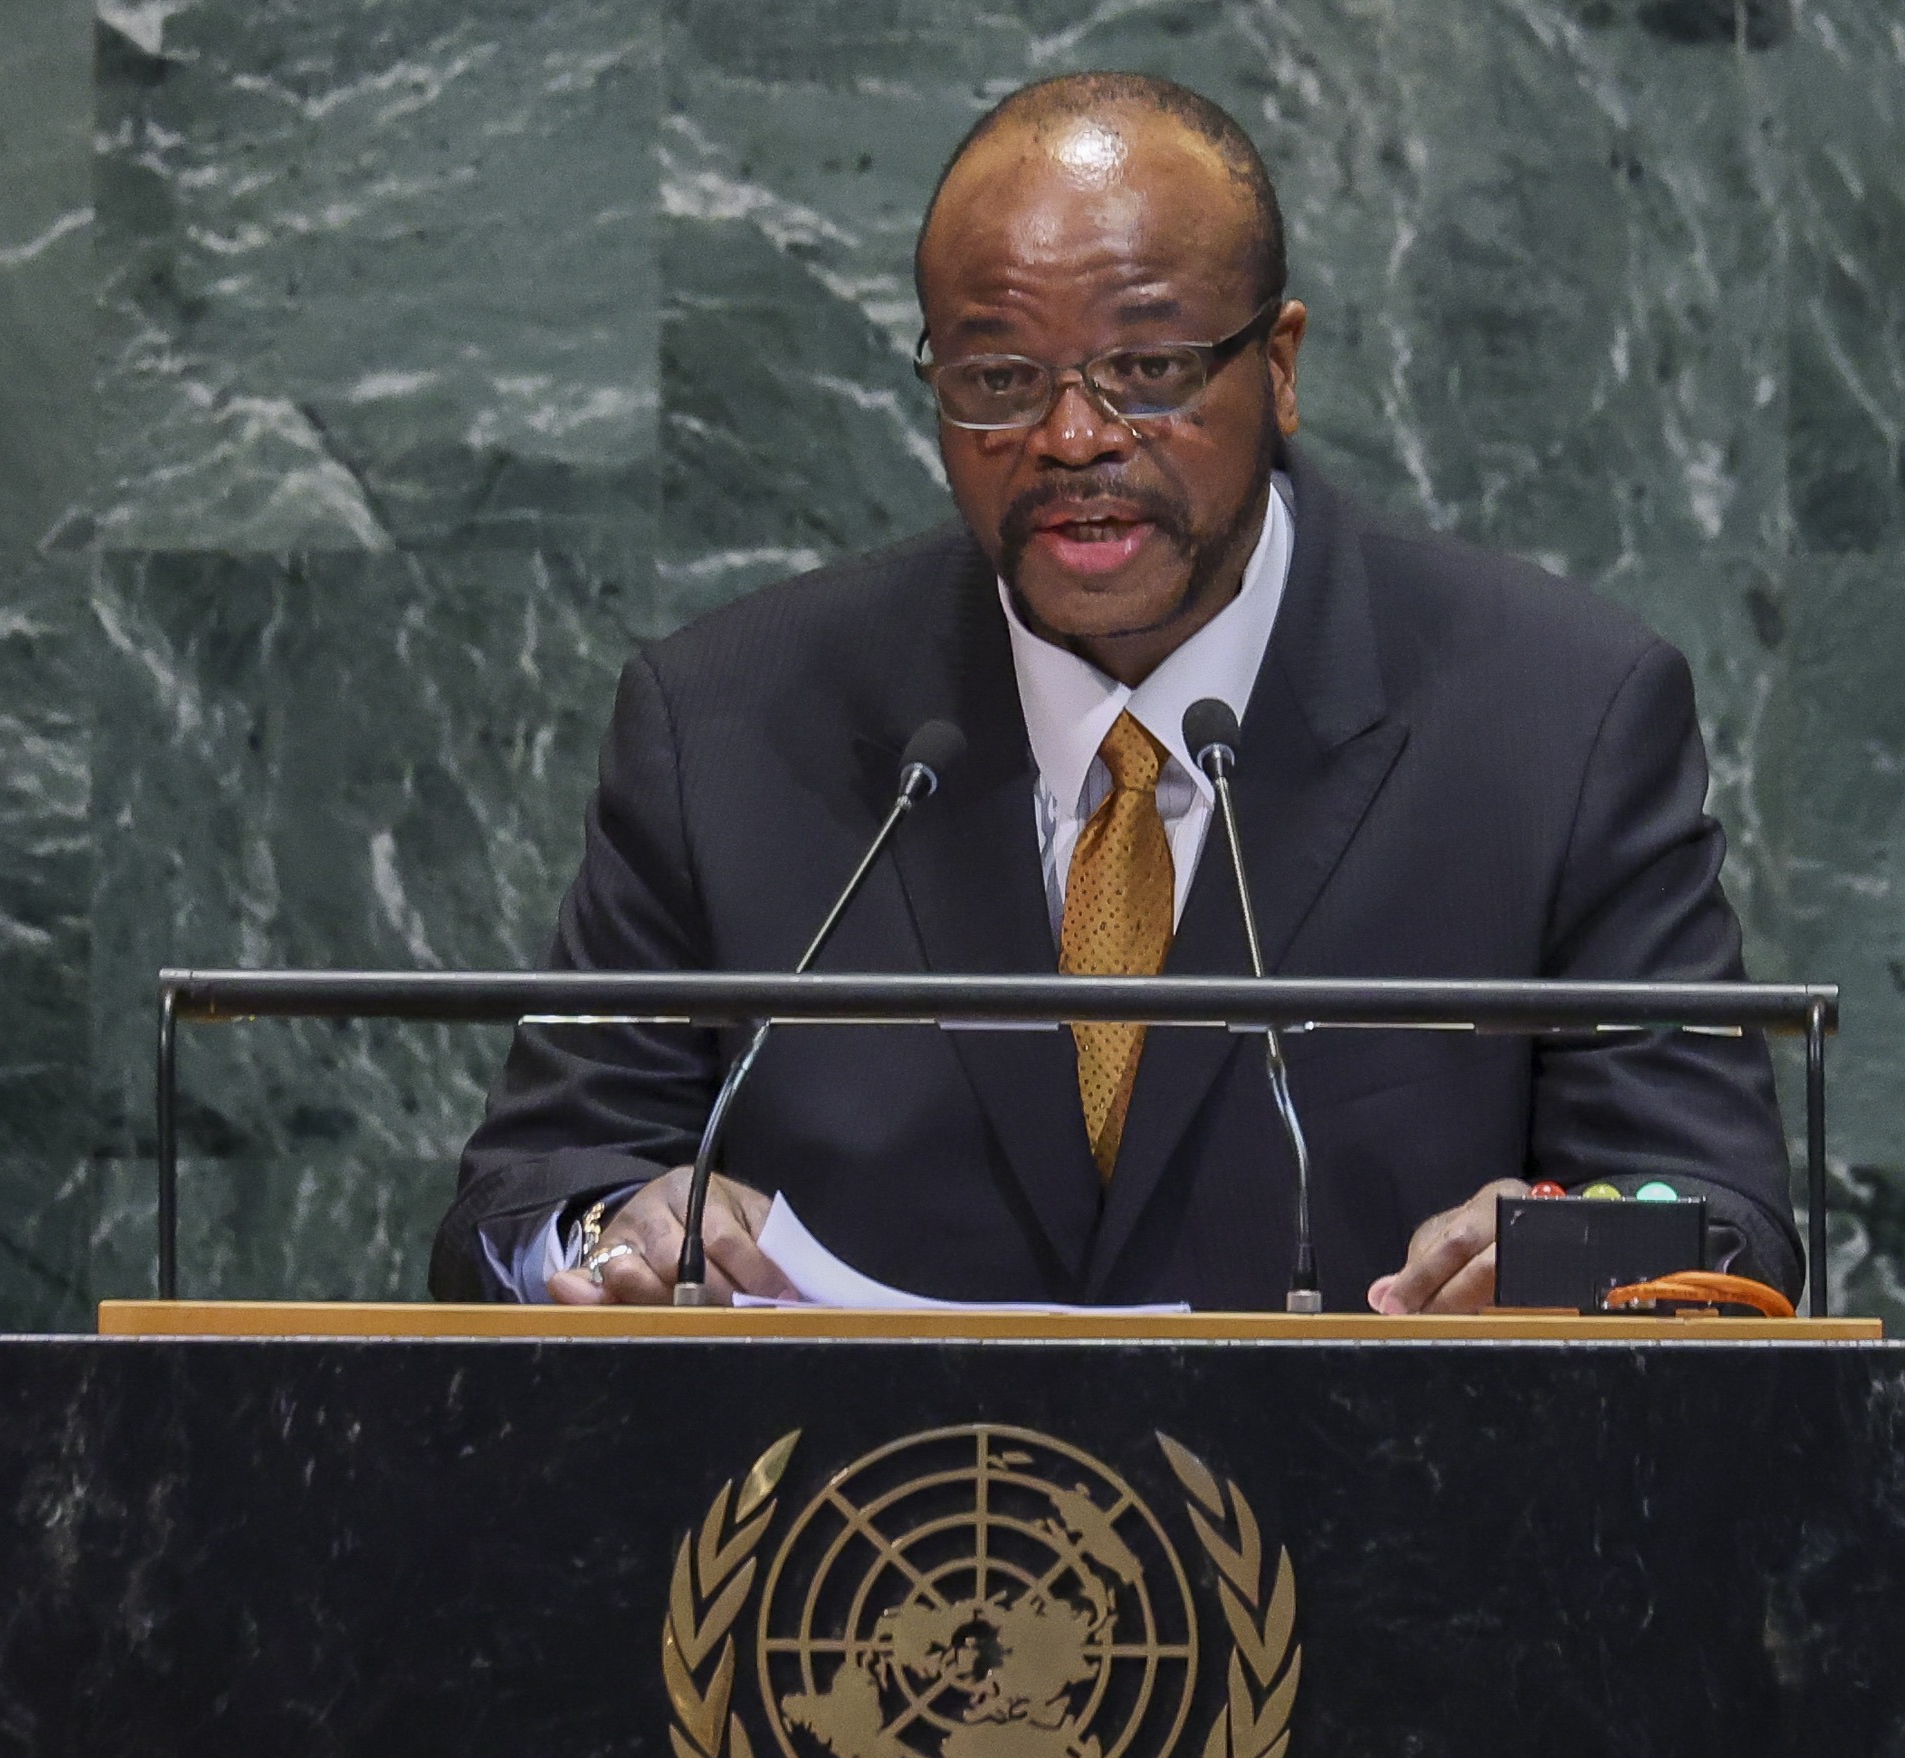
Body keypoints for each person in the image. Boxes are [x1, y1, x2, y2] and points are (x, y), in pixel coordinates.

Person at [432, 71, 1795, 1312]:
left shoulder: (1556, 719)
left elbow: (1717, 1220)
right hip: (859, 1558)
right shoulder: (725, 724)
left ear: (1278, 366)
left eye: (1147, 370)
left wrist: (1557, 1243)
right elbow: (519, 1205)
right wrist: (609, 1234)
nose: (1071, 436)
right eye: (997, 380)